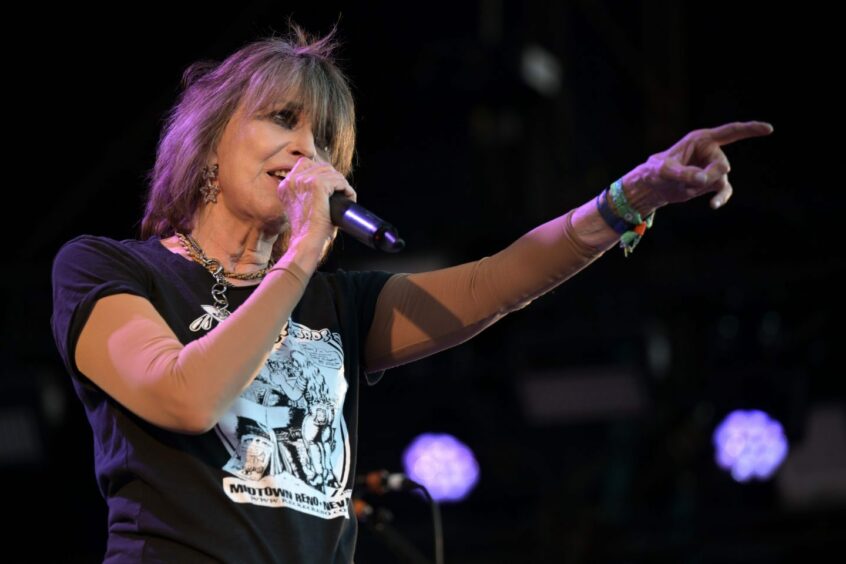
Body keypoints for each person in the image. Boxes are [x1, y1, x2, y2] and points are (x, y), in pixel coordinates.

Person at [49, 24, 773, 564]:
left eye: (325, 139)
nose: (308, 150)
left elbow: (499, 281)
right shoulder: (110, 271)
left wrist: (630, 195)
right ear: (209, 142)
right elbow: (185, 396)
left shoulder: (337, 308)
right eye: (282, 119)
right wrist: (301, 257)